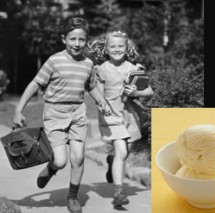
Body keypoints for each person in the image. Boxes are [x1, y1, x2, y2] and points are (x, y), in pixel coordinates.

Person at [13, 17, 111, 213]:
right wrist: (18, 110)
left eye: (81, 40)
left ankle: (72, 197)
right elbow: (34, 84)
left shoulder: (88, 63)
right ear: (63, 39)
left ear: (87, 40)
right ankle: (51, 168)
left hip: (78, 113)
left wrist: (102, 101)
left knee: (78, 158)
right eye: (72, 39)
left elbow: (91, 87)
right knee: (60, 160)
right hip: (55, 113)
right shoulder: (54, 61)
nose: (77, 44)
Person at [89, 30, 153, 207]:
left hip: (130, 116)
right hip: (111, 116)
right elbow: (98, 95)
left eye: (120, 46)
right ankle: (118, 193)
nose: (117, 49)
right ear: (106, 49)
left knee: (123, 154)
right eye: (113, 46)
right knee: (122, 152)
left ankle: (111, 163)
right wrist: (103, 106)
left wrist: (137, 92)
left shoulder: (134, 69)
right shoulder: (101, 69)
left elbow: (149, 91)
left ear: (127, 48)